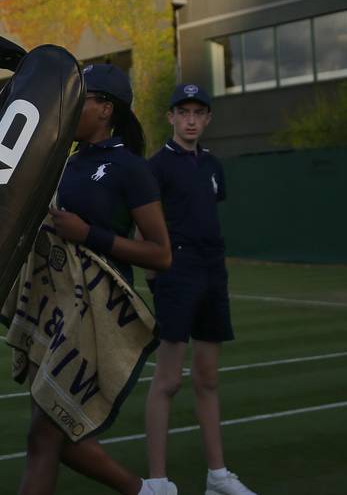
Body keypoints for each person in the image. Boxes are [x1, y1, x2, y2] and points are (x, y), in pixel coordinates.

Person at [24, 63, 172, 495]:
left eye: (80, 98)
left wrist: (90, 234)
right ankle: (146, 492)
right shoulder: (67, 162)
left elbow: (160, 253)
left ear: (106, 108)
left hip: (98, 314)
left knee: (43, 436)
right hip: (58, 311)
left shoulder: (129, 167)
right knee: (58, 436)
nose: (70, 107)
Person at [143, 85, 255, 495]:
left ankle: (217, 476)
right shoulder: (156, 167)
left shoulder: (212, 166)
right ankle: (157, 481)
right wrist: (157, 274)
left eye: (198, 112)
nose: (190, 119)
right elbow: (145, 225)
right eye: (183, 111)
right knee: (168, 380)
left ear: (207, 119)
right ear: (170, 117)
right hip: (177, 270)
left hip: (212, 269)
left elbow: (211, 215)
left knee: (207, 378)